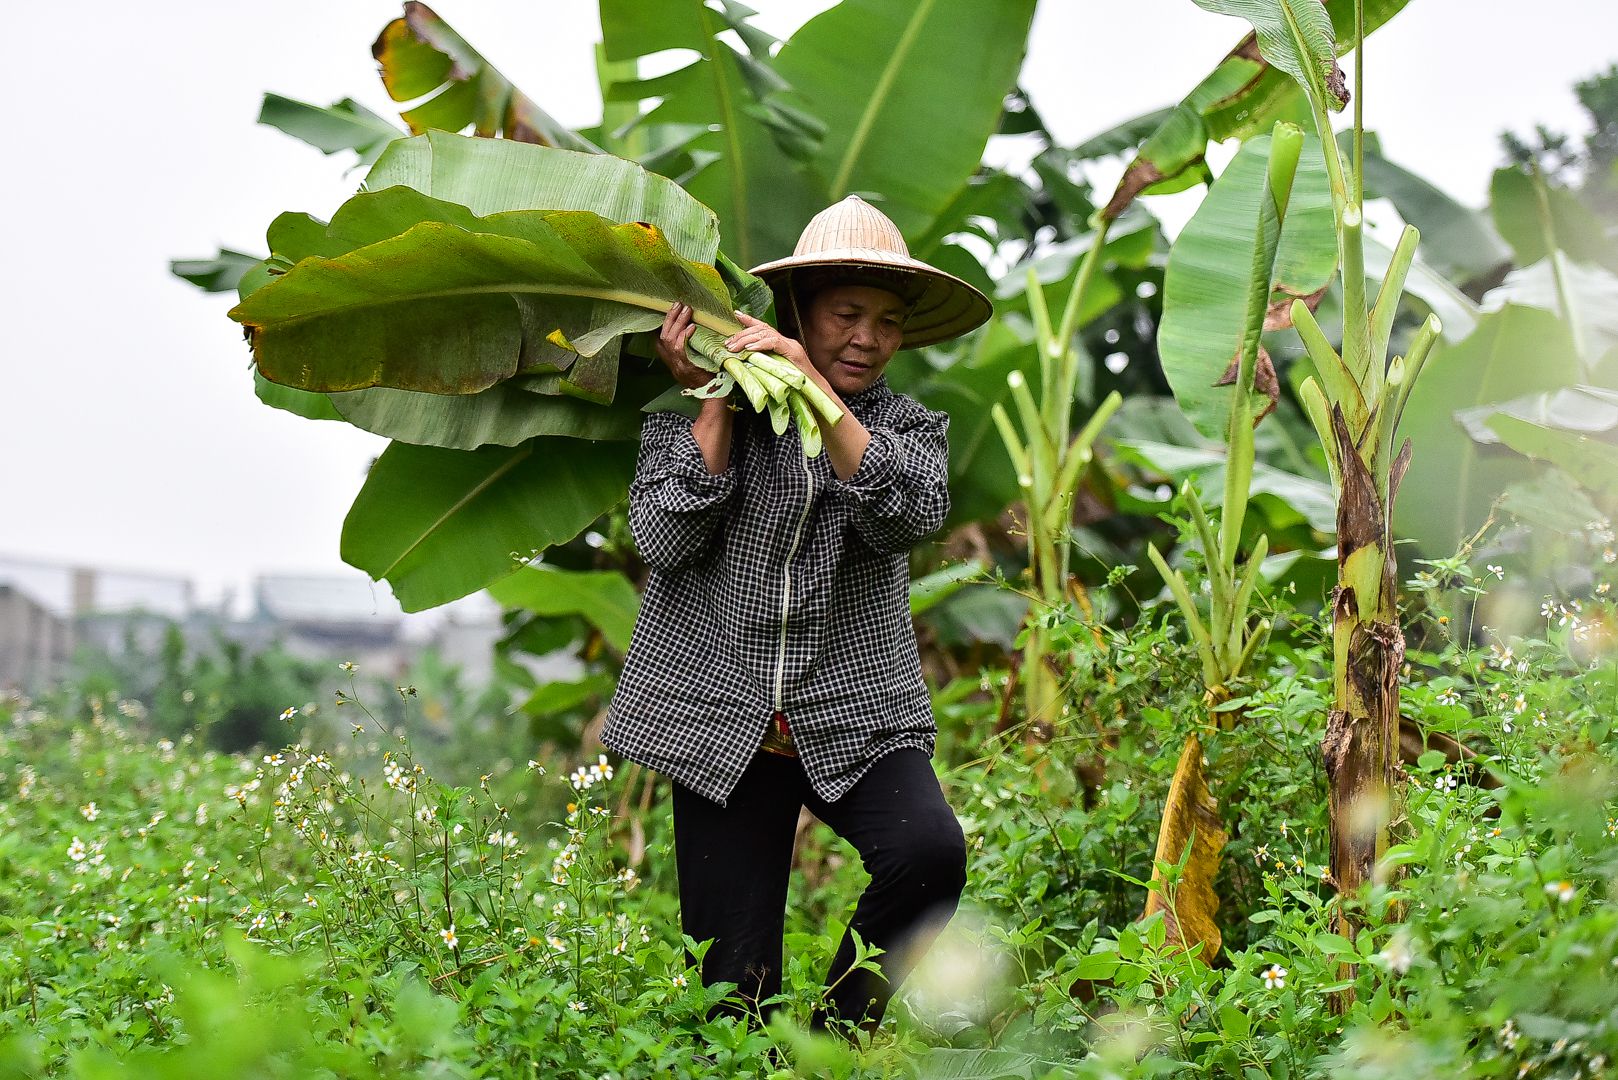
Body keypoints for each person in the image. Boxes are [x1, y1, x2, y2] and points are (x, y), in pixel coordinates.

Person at [600, 195, 993, 1033]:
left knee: (929, 857)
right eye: (846, 314)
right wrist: (711, 398)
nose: (868, 337)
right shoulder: (706, 422)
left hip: (854, 712)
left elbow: (907, 515)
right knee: (731, 990)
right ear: (798, 313)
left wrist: (814, 391)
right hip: (721, 719)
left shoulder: (907, 429)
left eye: (888, 321)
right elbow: (664, 540)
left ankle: (833, 1043)